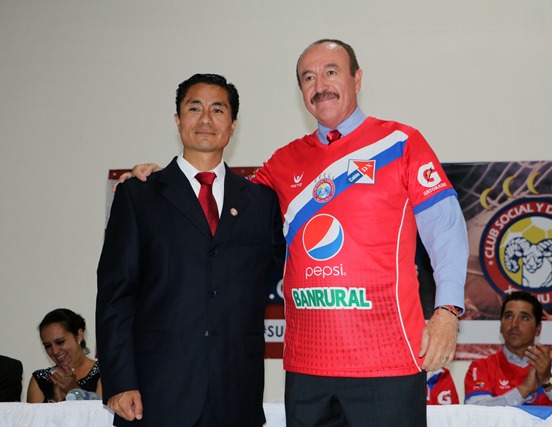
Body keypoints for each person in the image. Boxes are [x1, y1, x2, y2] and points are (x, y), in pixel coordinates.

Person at [123, 39, 468, 426]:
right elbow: (216, 202)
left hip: (386, 363)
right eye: (308, 77)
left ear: (357, 78)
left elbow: (446, 226)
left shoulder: (401, 142)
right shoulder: (282, 163)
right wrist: (163, 180)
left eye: (331, 72)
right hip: (307, 372)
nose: (319, 84)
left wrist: (447, 311)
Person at [97, 73, 285, 426]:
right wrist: (120, 381)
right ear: (178, 120)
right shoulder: (139, 195)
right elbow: (115, 296)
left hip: (237, 393)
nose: (205, 119)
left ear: (232, 126)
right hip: (155, 395)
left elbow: (297, 274)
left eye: (217, 110)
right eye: (194, 108)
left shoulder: (261, 203)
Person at [464, 291, 552, 407]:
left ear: (538, 329)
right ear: (500, 326)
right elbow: (475, 414)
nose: (514, 324)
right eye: (508, 316)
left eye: (524, 317)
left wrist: (548, 381)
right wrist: (523, 390)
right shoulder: (482, 367)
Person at [26, 308, 101, 403]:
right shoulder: (40, 380)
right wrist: (56, 399)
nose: (55, 351)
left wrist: (74, 390)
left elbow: (101, 415)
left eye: (60, 342)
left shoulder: (104, 373)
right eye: (47, 346)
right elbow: (32, 417)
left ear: (79, 335)